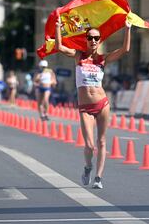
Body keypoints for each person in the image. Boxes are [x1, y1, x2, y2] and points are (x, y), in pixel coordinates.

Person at [55, 12, 131, 189]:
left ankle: (98, 177)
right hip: (85, 107)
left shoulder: (102, 59)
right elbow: (59, 47)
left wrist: (127, 29)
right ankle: (88, 167)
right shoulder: (78, 56)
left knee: (102, 141)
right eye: (90, 38)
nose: (94, 41)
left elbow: (124, 50)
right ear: (86, 39)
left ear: (100, 40)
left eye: (97, 38)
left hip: (102, 104)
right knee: (89, 145)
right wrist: (58, 27)